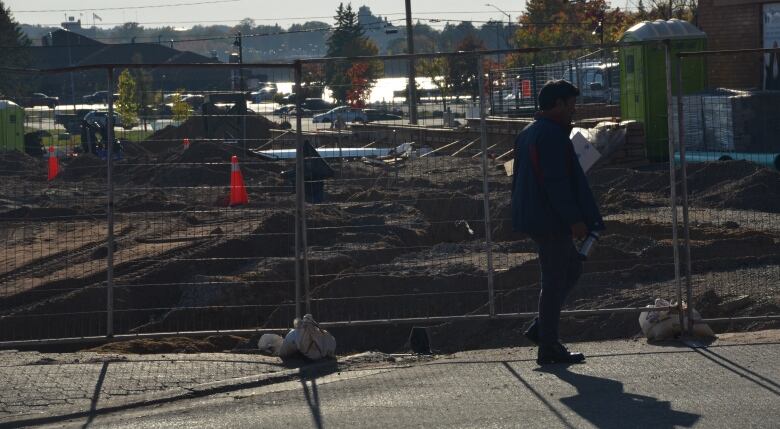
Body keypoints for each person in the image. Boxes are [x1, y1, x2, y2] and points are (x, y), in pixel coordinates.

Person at [511, 80, 605, 365]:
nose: (573, 111)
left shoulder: (529, 133)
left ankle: (543, 329)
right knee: (554, 280)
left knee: (570, 269)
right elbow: (556, 183)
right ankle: (548, 346)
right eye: (570, 105)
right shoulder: (551, 135)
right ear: (557, 105)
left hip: (536, 216)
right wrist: (574, 219)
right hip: (550, 219)